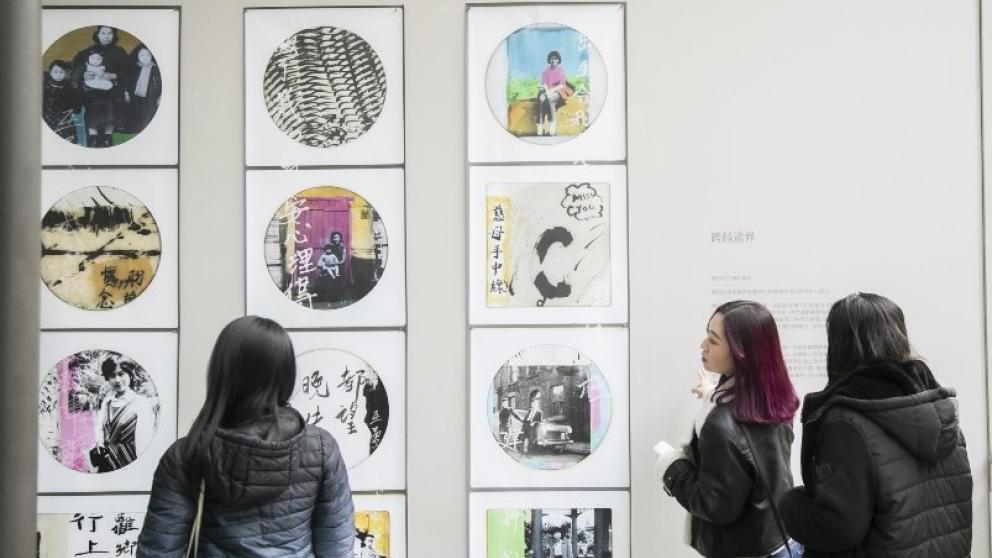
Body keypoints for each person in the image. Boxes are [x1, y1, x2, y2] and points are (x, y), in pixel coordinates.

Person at [136, 316, 354, 557]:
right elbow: (337, 547)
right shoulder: (320, 448)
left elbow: (158, 551)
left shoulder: (187, 455)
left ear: (220, 372)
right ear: (285, 373)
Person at [779, 293, 972, 557]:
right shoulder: (941, 412)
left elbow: (837, 529)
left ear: (839, 344)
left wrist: (790, 503)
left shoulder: (846, 424)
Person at [654, 301, 803, 558]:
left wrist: (672, 467)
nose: (702, 345)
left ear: (740, 352)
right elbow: (750, 445)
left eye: (713, 340)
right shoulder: (775, 399)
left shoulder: (719, 426)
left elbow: (714, 506)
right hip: (782, 538)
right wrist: (712, 395)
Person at [89, 356, 155, 473]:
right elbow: (99, 428)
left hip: (128, 461)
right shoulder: (107, 402)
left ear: (130, 374)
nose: (117, 380)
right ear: (107, 378)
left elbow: (143, 441)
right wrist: (100, 449)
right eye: (112, 376)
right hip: (107, 462)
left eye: (121, 374)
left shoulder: (141, 403)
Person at [71, 25, 129, 147]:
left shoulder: (120, 52)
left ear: (114, 35)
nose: (106, 36)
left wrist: (112, 76)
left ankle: (108, 142)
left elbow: (129, 72)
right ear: (97, 34)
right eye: (103, 33)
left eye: (110, 33)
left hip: (112, 94)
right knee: (92, 120)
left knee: (110, 119)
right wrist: (84, 75)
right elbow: (76, 71)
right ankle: (93, 142)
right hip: (92, 95)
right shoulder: (87, 52)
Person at [124, 44, 162, 134]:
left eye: (148, 55)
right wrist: (126, 93)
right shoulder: (134, 67)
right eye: (142, 55)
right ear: (137, 56)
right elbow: (129, 82)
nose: (145, 58)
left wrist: (160, 97)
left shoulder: (156, 69)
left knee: (148, 114)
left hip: (151, 97)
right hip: (136, 96)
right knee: (137, 114)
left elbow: (160, 84)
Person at [42, 60, 80, 142]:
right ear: (50, 72)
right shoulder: (46, 88)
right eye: (55, 72)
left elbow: (76, 107)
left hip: (66, 120)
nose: (58, 75)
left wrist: (74, 108)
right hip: (49, 120)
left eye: (61, 72)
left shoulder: (69, 87)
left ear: (65, 73)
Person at [535, 50, 568, 136]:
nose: (553, 60)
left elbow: (561, 85)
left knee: (550, 99)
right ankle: (540, 127)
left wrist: (551, 91)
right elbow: (544, 84)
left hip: (557, 92)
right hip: (546, 91)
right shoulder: (546, 71)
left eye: (555, 59)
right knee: (541, 99)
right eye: (552, 58)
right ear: (549, 60)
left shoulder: (561, 71)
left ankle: (552, 128)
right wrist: (546, 91)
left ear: (558, 60)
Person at [515, 390, 543, 454]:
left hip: (532, 426)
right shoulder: (530, 411)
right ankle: (523, 451)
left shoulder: (539, 412)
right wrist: (521, 419)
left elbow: (540, 421)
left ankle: (529, 453)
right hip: (526, 425)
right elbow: (525, 418)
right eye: (532, 404)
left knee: (530, 439)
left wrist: (534, 422)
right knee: (523, 438)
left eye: (534, 404)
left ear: (536, 405)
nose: (532, 406)